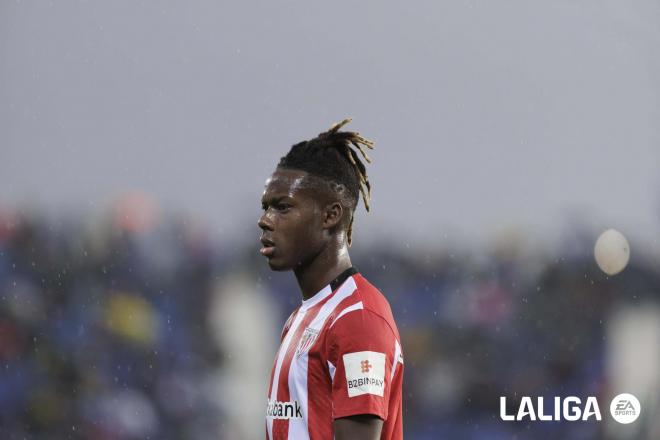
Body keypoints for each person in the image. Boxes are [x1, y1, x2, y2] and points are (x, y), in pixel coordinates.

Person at [258, 119, 404, 439]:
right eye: (266, 207)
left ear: (330, 215)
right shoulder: (299, 319)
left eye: (283, 207)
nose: (265, 220)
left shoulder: (358, 318)